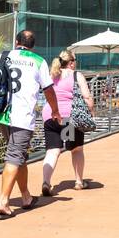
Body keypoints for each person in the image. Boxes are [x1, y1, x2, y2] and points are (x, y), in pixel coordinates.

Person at [0, 29, 60, 219]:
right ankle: (3, 201)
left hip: (2, 114)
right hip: (22, 117)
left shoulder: (4, 55)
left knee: (19, 155)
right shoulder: (38, 61)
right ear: (33, 45)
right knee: (15, 155)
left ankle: (25, 196)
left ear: (17, 42)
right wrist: (55, 110)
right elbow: (48, 90)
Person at [41, 50, 95, 195]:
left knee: (52, 151)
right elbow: (86, 97)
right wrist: (91, 111)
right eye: (75, 60)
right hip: (67, 118)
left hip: (50, 117)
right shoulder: (76, 75)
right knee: (76, 149)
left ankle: (46, 182)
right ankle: (79, 181)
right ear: (71, 62)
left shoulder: (52, 75)